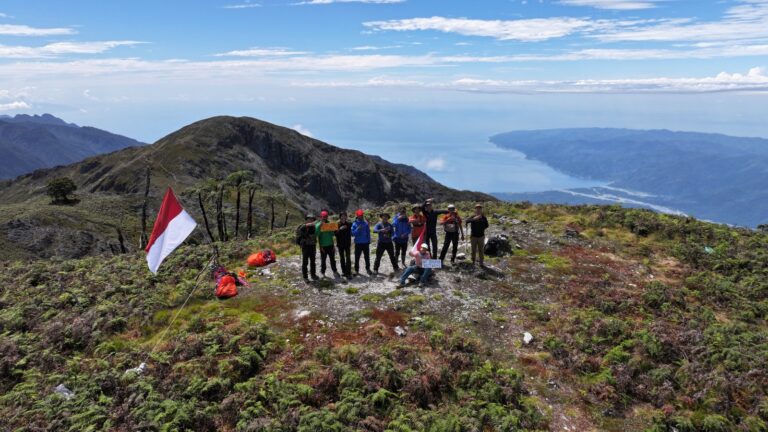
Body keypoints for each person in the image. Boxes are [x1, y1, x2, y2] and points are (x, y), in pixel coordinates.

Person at [316, 210, 339, 278]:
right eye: (323, 217)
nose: (324, 218)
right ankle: (323, 271)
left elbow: (332, 234)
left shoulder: (329, 224)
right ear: (321, 217)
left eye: (325, 217)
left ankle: (334, 271)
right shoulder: (318, 225)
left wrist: (335, 230)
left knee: (332, 259)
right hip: (323, 246)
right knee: (323, 260)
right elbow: (316, 234)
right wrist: (320, 225)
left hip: (330, 245)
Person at [295, 214, 319, 281]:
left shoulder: (314, 227)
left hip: (312, 246)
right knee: (305, 262)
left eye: (312, 219)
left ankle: (313, 274)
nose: (310, 220)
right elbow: (298, 231)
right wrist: (306, 225)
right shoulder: (302, 226)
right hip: (305, 246)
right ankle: (305, 277)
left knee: (313, 261)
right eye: (309, 219)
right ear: (306, 220)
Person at [351, 209, 372, 275]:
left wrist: (369, 240)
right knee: (357, 257)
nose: (361, 216)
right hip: (358, 243)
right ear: (357, 215)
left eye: (362, 215)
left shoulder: (365, 223)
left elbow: (368, 232)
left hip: (365, 242)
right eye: (360, 215)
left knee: (367, 256)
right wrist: (357, 229)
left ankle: (368, 269)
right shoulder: (354, 224)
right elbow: (352, 234)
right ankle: (356, 270)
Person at [335, 211, 353, 279]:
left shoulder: (349, 224)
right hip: (340, 244)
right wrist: (340, 229)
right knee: (342, 258)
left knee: (348, 258)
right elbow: (335, 234)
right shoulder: (337, 224)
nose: (343, 217)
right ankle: (344, 271)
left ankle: (348, 272)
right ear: (340, 217)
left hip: (347, 244)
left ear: (346, 217)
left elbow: (355, 225)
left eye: (344, 216)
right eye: (342, 216)